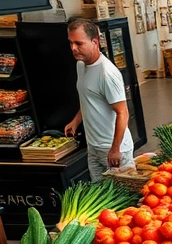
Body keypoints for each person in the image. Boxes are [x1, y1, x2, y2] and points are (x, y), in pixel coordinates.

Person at [64, 19, 134, 182]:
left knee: (123, 199)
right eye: (71, 43)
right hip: (94, 147)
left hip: (114, 149)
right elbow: (90, 99)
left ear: (94, 42)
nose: (73, 48)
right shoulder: (81, 65)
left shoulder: (107, 73)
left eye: (79, 43)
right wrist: (75, 121)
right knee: (100, 197)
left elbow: (123, 113)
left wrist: (115, 149)